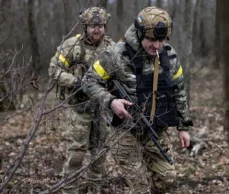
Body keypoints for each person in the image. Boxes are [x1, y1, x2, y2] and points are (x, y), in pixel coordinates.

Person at [82, 6, 193, 194]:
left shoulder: (169, 56)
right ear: (140, 33)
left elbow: (179, 90)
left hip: (155, 128)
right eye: (151, 39)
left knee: (167, 178)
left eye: (161, 40)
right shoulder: (117, 55)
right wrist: (111, 101)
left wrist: (183, 127)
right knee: (139, 186)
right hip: (124, 130)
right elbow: (88, 81)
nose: (156, 45)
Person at [48, 7, 115, 194]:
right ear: (85, 26)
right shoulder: (72, 46)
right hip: (78, 106)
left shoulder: (111, 48)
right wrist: (75, 82)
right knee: (76, 153)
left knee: (100, 151)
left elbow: (122, 74)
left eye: (100, 26)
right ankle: (69, 189)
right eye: (93, 26)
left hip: (102, 107)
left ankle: (94, 187)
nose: (97, 30)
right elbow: (54, 70)